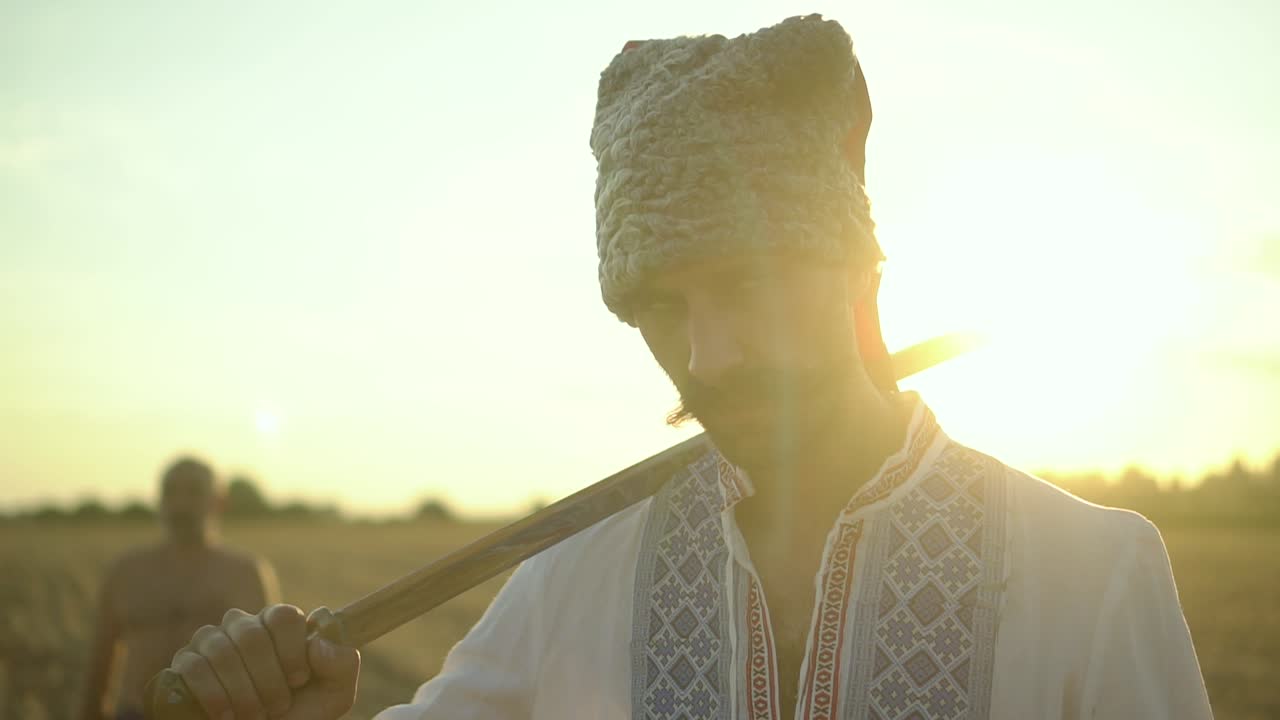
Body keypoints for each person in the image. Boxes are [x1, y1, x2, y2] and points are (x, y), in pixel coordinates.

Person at [163, 15, 1212, 719]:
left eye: (745, 282)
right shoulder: (569, 580)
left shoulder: (1093, 575)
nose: (706, 358)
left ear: (853, 269)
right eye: (660, 306)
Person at [79, 456, 280, 720]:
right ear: (159, 501)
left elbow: (268, 665)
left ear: (219, 501)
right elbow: (99, 664)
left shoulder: (246, 573)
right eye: (170, 491)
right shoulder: (125, 572)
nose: (181, 503)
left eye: (194, 491)